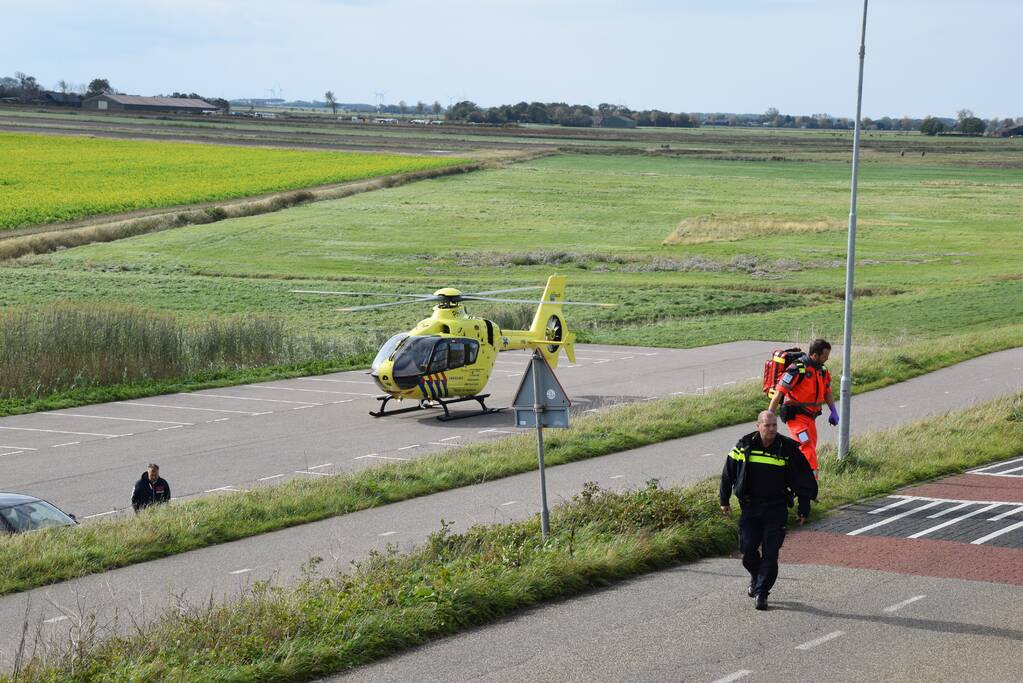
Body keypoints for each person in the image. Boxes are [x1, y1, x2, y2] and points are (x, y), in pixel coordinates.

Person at [720, 410, 818, 610]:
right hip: (750, 508)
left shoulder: (787, 448)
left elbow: (803, 478)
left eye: (774, 425)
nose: (772, 429)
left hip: (776, 508)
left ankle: (762, 593)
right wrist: (724, 500)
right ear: (758, 426)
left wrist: (804, 507)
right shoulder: (744, 445)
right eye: (767, 425)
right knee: (747, 550)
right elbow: (728, 472)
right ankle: (757, 576)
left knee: (771, 553)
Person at [767, 338, 838, 477]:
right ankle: (812, 484)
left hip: (811, 418)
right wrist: (769, 415)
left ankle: (792, 477)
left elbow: (827, 391)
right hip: (796, 418)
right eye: (825, 356)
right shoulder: (797, 369)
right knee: (807, 447)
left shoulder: (822, 370)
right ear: (815, 355)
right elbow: (779, 392)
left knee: (806, 449)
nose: (827, 359)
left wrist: (833, 411)